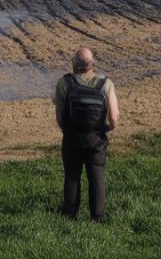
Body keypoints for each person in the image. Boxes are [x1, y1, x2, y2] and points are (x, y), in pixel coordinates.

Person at [53, 47, 120, 221]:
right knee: (96, 175)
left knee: (72, 175)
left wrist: (66, 130)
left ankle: (69, 214)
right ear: (92, 64)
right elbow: (114, 117)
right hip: (96, 139)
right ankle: (97, 216)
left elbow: (59, 116)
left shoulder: (65, 83)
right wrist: (107, 128)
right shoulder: (106, 84)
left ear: (74, 64)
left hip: (72, 137)